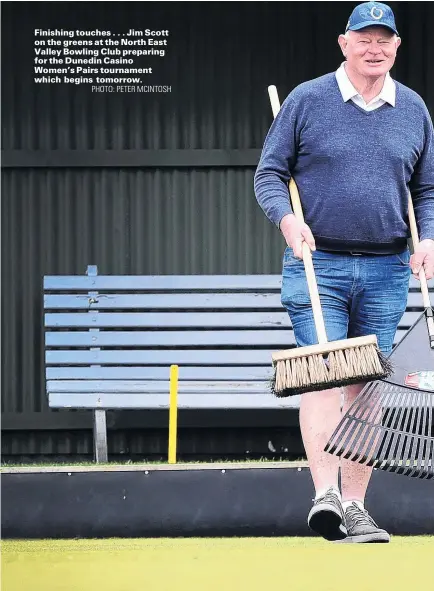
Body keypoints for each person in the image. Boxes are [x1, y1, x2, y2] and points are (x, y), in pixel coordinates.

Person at [254, 1, 434, 544]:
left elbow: (426, 188)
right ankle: (325, 493)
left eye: (385, 39)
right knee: (323, 373)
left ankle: (355, 507)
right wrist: (288, 222)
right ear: (344, 43)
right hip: (318, 262)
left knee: (367, 388)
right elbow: (268, 175)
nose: (374, 47)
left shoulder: (414, 109)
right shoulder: (308, 101)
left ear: (397, 46)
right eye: (365, 38)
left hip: (386, 266)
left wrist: (426, 239)